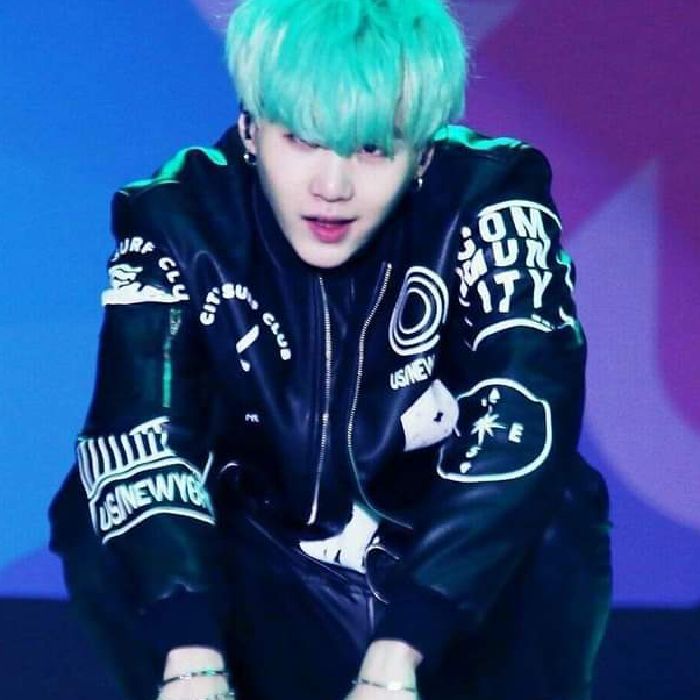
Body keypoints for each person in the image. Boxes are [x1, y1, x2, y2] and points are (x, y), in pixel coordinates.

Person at [48, 0, 612, 699]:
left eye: (371, 147)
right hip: (270, 582)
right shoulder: (177, 217)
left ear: (423, 153)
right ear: (251, 129)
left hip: (449, 592)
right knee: (93, 503)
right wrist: (190, 658)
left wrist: (400, 652)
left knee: (557, 510)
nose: (332, 186)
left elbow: (526, 409)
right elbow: (141, 430)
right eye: (303, 139)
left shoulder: (492, 196)